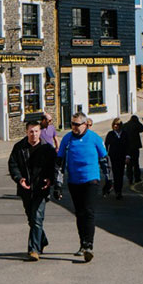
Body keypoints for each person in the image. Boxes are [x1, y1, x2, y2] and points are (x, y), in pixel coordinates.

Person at [57, 112, 110, 262]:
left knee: (88, 212)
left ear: (85, 124)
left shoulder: (94, 138)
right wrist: (58, 185)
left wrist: (109, 180)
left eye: (77, 124)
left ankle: (89, 245)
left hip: (91, 180)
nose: (74, 127)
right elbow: (59, 163)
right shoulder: (67, 139)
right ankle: (82, 244)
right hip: (74, 181)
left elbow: (104, 159)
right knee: (79, 213)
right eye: (72, 124)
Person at [8, 119, 57, 260]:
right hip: (26, 189)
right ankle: (42, 239)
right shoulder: (19, 147)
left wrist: (50, 179)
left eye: (36, 131)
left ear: (40, 132)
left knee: (36, 218)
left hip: (41, 188)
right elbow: (13, 165)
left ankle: (33, 250)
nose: (33, 134)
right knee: (31, 219)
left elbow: (54, 167)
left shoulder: (47, 149)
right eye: (31, 132)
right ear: (26, 132)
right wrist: (19, 179)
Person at [104, 118, 127, 199]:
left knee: (120, 174)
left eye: (117, 125)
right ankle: (117, 191)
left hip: (122, 157)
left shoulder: (124, 134)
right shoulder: (110, 134)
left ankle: (119, 190)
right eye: (114, 125)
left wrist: (128, 156)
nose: (115, 126)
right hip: (113, 157)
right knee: (115, 174)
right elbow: (106, 145)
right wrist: (105, 155)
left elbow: (128, 146)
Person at [122, 114, 143, 184]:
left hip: (127, 147)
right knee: (136, 163)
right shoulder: (137, 125)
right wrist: (138, 122)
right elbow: (142, 129)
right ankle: (137, 178)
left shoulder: (125, 125)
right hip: (135, 147)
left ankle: (130, 178)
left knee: (129, 164)